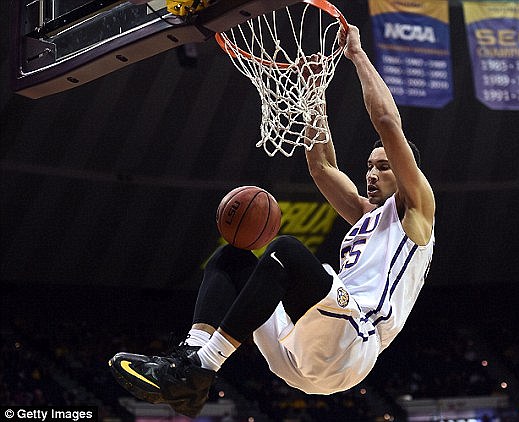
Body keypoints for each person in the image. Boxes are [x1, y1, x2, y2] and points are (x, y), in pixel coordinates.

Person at [108, 24, 435, 418]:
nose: (370, 173)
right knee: (233, 259)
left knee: (285, 252)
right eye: (368, 166)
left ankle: (202, 369)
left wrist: (357, 55)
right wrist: (314, 94)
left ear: (406, 172)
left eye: (383, 166)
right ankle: (189, 364)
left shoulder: (416, 212)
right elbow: (321, 166)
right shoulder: (367, 215)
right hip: (300, 352)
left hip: (352, 343)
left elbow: (386, 121)